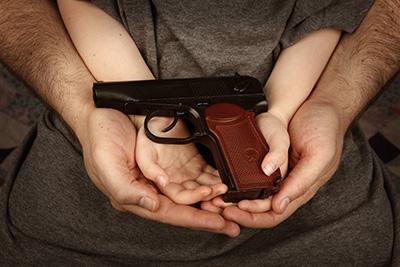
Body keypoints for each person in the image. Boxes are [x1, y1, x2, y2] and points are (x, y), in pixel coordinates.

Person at [0, 0, 398, 266]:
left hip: (321, 227)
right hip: (75, 228)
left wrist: (282, 113)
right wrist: (280, 112)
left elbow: (326, 14)